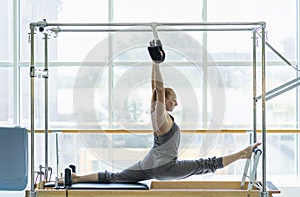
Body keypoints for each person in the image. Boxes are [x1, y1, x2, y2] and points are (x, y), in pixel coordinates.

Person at [65, 57, 261, 184]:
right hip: (165, 167)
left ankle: (76, 178)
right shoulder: (160, 116)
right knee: (205, 164)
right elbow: (158, 89)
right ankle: (243, 153)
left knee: (115, 177)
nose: (176, 102)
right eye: (172, 99)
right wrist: (158, 63)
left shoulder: (158, 115)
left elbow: (155, 88)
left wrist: (153, 62)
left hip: (150, 162)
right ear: (163, 100)